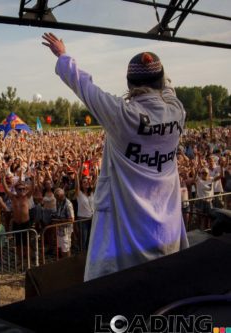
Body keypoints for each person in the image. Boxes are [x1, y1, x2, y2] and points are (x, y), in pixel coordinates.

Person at [42, 32, 188, 281]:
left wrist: (62, 56)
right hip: (169, 229)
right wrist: (159, 74)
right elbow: (168, 88)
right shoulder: (177, 111)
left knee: (126, 294)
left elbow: (85, 87)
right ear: (161, 81)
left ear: (130, 85)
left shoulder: (123, 114)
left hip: (129, 232)